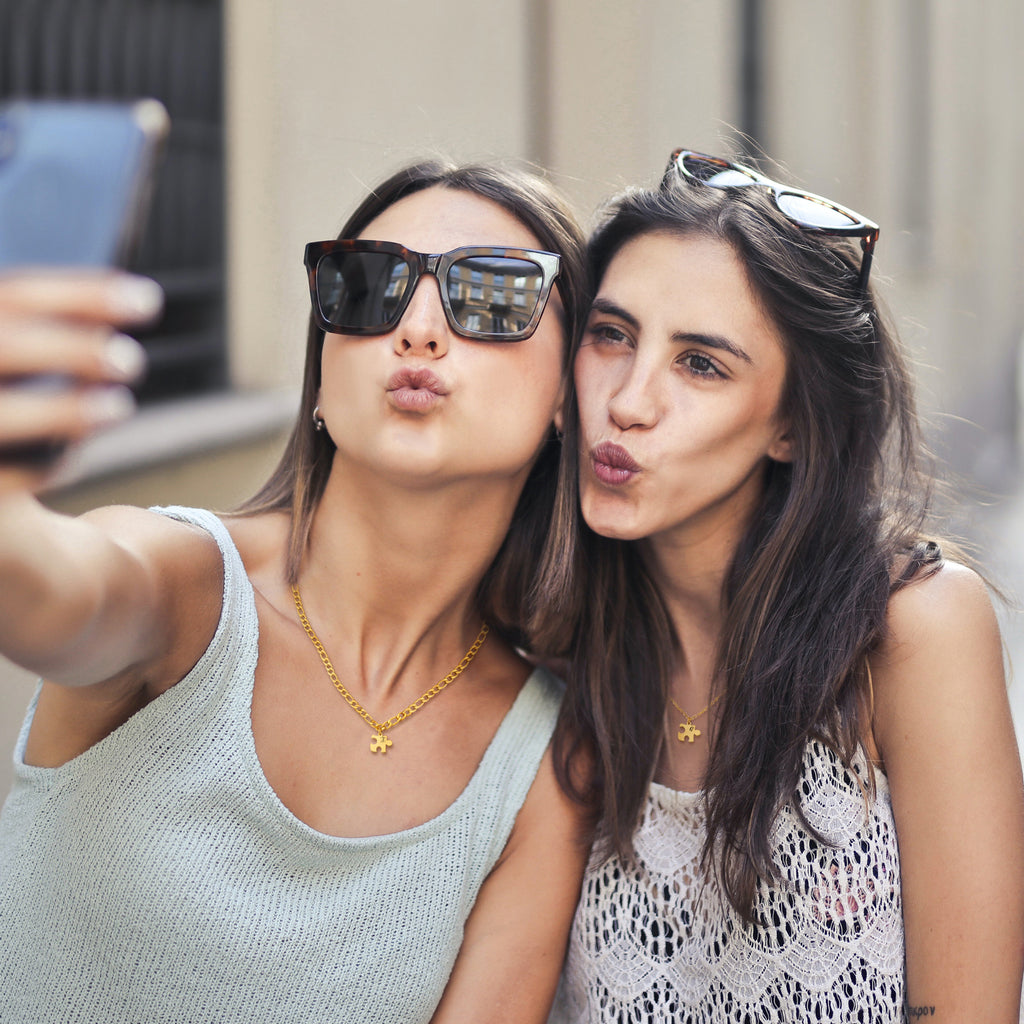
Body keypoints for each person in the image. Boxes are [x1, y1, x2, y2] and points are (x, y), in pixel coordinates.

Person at [0, 159, 592, 1023]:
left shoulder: (543, 756)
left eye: (491, 296)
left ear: (567, 400)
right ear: (323, 371)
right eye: (369, 285)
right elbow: (53, 593)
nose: (419, 329)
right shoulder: (183, 582)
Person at [538, 151, 1024, 1022]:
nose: (629, 400)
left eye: (701, 365)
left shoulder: (908, 631)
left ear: (793, 427)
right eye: (611, 334)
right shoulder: (558, 652)